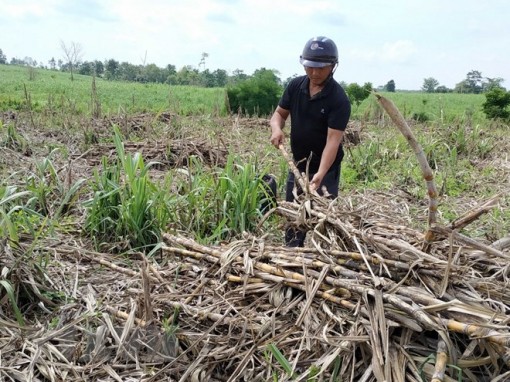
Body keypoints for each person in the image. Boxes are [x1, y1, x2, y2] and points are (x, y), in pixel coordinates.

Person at [269, 36, 351, 247]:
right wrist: (276, 129)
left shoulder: (338, 99)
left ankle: (322, 257)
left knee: (322, 217)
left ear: (333, 66)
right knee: (295, 216)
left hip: (325, 168)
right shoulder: (295, 86)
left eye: (320, 68)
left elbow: (332, 142)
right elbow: (278, 114)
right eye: (310, 67)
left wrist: (320, 174)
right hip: (297, 163)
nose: (314, 73)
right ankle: (292, 253)